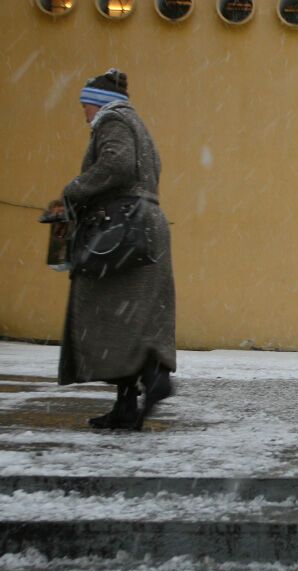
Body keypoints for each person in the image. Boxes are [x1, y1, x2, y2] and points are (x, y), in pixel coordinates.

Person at [52, 68, 176, 430]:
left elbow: (117, 165)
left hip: (121, 230)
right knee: (134, 317)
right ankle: (128, 403)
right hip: (141, 224)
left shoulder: (113, 120)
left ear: (97, 104)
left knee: (104, 313)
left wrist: (74, 190)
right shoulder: (138, 125)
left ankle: (154, 379)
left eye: (85, 107)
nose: (85, 115)